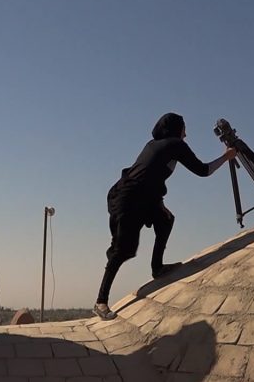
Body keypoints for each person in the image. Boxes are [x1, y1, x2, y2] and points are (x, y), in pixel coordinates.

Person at [94, 113, 236, 320]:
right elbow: (203, 170)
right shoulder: (174, 144)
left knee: (166, 220)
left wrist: (159, 204)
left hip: (142, 196)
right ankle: (100, 302)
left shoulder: (155, 144)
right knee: (123, 251)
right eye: (184, 129)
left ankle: (157, 267)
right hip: (128, 200)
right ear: (177, 129)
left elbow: (150, 175)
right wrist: (227, 156)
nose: (186, 134)